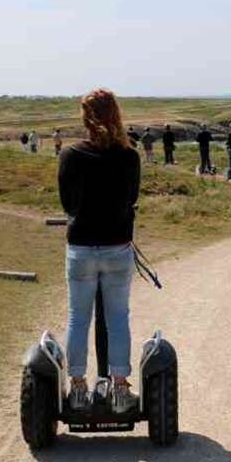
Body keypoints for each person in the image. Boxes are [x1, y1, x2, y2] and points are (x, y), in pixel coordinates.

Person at [58, 88, 141, 413]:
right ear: (116, 115)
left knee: (79, 318)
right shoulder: (129, 155)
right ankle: (120, 389)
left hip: (81, 247)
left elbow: (68, 204)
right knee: (117, 319)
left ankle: (78, 389)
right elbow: (131, 198)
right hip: (117, 247)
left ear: (85, 118)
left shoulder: (70, 155)